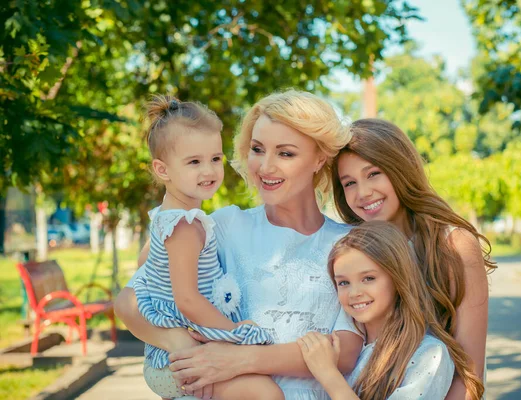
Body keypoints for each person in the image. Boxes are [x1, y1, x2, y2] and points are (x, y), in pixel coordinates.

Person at [115, 90, 363, 400]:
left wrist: (240, 359)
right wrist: (182, 346)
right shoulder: (220, 226)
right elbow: (130, 299)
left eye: (285, 153)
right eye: (258, 149)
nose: (266, 166)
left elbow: (346, 351)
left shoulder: (349, 244)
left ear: (319, 158)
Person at [132, 95, 282, 400]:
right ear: (162, 170)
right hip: (175, 363)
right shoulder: (184, 225)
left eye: (215, 158)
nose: (209, 171)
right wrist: (236, 332)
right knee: (265, 393)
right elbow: (187, 299)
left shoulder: (169, 215)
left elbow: (144, 262)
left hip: (174, 355)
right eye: (194, 162)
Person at [331, 118, 494, 399]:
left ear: (400, 169)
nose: (363, 192)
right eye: (349, 183)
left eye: (374, 174)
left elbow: (469, 373)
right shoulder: (352, 250)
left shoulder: (452, 244)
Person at [298, 221, 484, 400]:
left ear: (397, 279)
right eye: (344, 282)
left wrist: (328, 375)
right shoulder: (344, 349)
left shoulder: (428, 354)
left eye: (368, 278)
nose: (354, 293)